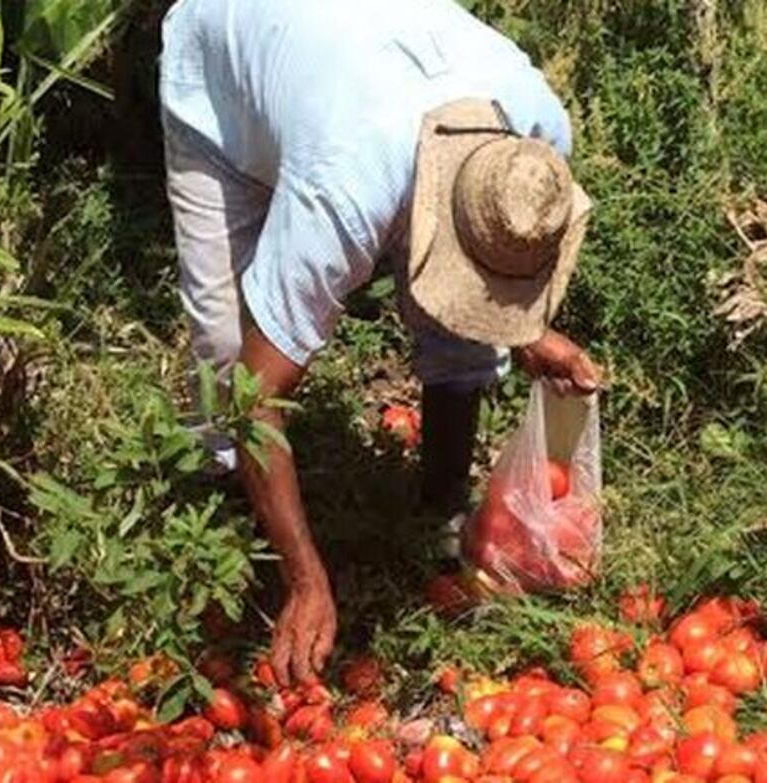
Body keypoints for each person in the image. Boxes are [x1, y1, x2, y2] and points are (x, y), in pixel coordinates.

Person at [159, 0, 603, 687]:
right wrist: (310, 578)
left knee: (459, 327)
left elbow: (483, 282)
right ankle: (229, 537)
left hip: (345, 72)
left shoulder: (537, 146)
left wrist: (527, 333)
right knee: (226, 352)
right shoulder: (348, 185)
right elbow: (254, 397)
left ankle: (440, 509)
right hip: (224, 75)